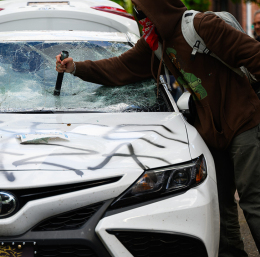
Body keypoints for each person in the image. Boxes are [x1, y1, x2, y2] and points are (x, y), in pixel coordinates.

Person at [56, 0, 260, 256]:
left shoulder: (202, 25)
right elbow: (120, 68)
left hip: (245, 122)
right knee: (220, 205)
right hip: (212, 132)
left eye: (144, 12)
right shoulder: (156, 44)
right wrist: (76, 68)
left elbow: (255, 55)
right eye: (139, 14)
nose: (142, 20)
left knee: (254, 203)